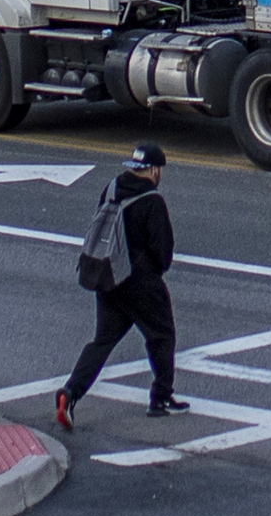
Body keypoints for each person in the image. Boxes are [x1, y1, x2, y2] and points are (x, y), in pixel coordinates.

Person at [56, 142, 190, 428]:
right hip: (139, 283)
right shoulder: (152, 201)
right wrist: (151, 272)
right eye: (160, 170)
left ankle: (70, 392)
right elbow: (162, 252)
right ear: (154, 170)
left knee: (102, 341)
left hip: (108, 278)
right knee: (162, 336)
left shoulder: (112, 188)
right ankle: (161, 399)